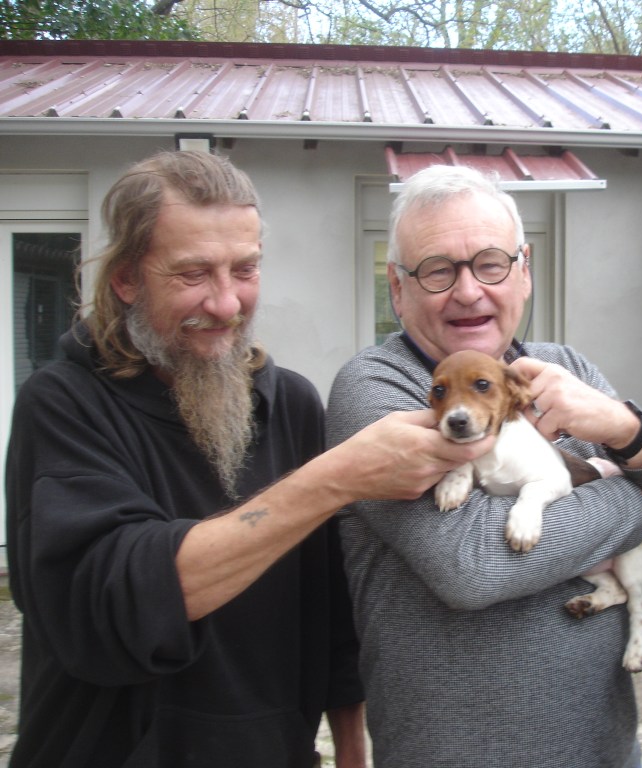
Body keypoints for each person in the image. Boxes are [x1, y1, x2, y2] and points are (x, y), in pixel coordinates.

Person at [3, 150, 496, 768]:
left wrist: (351, 750)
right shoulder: (63, 404)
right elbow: (115, 605)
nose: (226, 303)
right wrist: (334, 479)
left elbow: (330, 610)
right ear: (126, 279)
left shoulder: (289, 402)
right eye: (192, 274)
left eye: (245, 269)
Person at [325, 163, 642, 768]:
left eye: (490, 263)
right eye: (437, 270)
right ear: (397, 288)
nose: (468, 291)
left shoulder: (566, 370)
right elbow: (472, 565)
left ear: (524, 271)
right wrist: (637, 506)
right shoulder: (380, 389)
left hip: (603, 753)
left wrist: (625, 428)